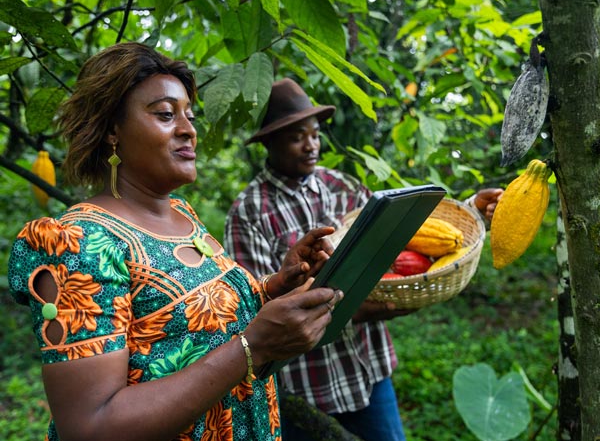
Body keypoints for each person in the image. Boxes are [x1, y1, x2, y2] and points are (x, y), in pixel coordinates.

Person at [7, 43, 344, 441]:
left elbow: (192, 323)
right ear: (112, 130)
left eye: (189, 114)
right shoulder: (78, 244)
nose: (189, 129)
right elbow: (90, 425)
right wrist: (252, 346)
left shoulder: (184, 216)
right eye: (166, 115)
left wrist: (274, 287)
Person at [224, 78, 503, 441]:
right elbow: (257, 304)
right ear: (270, 143)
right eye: (296, 138)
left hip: (367, 373)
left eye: (314, 134)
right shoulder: (249, 212)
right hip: (307, 384)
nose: (311, 145)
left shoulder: (344, 187)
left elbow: (402, 243)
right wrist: (351, 305)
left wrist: (472, 212)